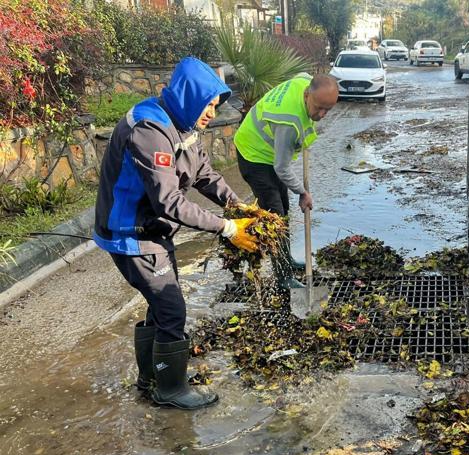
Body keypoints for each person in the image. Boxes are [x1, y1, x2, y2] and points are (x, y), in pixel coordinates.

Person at [94, 57, 259, 410]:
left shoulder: (183, 124)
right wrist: (227, 228)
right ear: (189, 97)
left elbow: (203, 174)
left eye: (216, 106)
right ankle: (170, 389)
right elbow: (169, 201)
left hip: (151, 230)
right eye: (208, 105)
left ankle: (151, 378)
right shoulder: (149, 130)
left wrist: (236, 206)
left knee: (160, 304)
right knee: (171, 310)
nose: (212, 113)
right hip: (131, 233)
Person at [233, 73, 339, 289]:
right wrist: (303, 192)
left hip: (267, 152)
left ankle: (285, 260)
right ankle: (283, 277)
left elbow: (302, 75)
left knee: (284, 207)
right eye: (319, 108)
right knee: (276, 215)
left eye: (328, 109)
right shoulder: (289, 122)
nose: (322, 114)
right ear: (308, 94)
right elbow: (281, 167)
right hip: (253, 155)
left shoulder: (303, 82)